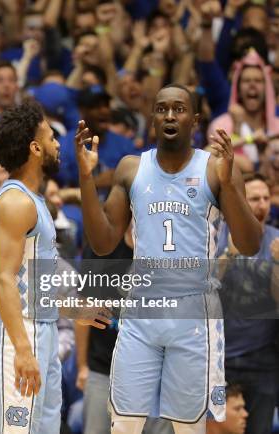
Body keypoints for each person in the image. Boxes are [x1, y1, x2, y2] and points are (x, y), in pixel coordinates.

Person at [76, 84, 263, 434]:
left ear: (195, 120)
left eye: (179, 109)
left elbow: (250, 244)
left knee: (187, 427)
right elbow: (102, 243)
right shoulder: (131, 168)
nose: (170, 115)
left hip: (194, 311)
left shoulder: (216, 168)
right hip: (143, 307)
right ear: (152, 119)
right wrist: (86, 179)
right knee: (124, 424)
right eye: (162, 109)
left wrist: (231, 186)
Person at [0, 100, 109, 434]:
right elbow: (4, 281)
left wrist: (69, 310)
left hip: (41, 330)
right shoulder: (14, 202)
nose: (57, 144)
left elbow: (31, 284)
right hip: (17, 337)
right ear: (35, 147)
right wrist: (23, 350)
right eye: (51, 137)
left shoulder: (33, 201)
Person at [215, 173, 278, 434]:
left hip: (262, 357)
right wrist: (228, 254)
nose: (262, 204)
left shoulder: (276, 241)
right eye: (254, 198)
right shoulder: (218, 236)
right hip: (220, 358)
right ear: (240, 202)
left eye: (266, 198)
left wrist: (277, 264)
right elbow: (202, 289)